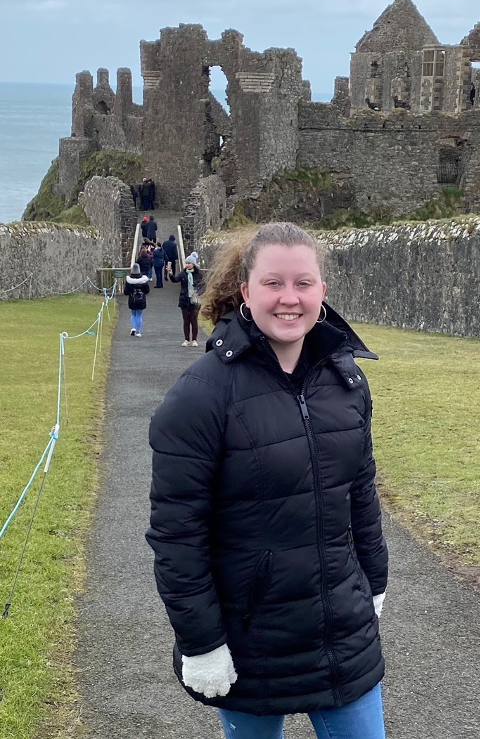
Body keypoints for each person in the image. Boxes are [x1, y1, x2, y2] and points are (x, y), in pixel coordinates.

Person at [146, 222, 388, 739]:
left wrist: (375, 583)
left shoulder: (347, 381)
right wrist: (202, 643)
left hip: (342, 633)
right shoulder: (200, 395)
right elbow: (177, 534)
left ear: (322, 291)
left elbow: (361, 492)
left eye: (303, 283)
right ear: (246, 291)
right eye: (273, 283)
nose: (289, 298)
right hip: (250, 638)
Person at [168, 254, 203, 346]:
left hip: (195, 300)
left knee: (194, 320)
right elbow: (175, 280)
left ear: (193, 264)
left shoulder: (198, 274)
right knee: (186, 321)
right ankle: (186, 340)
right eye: (186, 263)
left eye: (189, 263)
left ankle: (194, 340)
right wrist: (171, 274)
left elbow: (203, 286)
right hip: (184, 299)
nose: (187, 265)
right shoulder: (183, 273)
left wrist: (198, 292)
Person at [124, 262, 150, 336]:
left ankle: (133, 328)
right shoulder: (144, 280)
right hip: (141, 300)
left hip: (132, 299)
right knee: (139, 315)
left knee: (133, 314)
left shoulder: (129, 280)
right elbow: (147, 291)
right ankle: (138, 332)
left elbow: (126, 292)